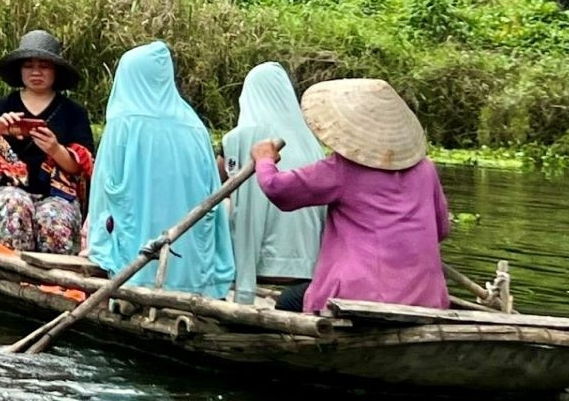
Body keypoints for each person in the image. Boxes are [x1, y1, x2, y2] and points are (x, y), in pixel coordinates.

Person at [251, 78, 451, 314]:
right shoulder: (426, 168)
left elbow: (278, 189)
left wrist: (264, 159)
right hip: (425, 297)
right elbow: (442, 229)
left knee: (288, 301)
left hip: (356, 296)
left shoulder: (342, 169)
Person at [88, 40, 235, 297]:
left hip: (135, 264)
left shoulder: (124, 122)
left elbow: (106, 188)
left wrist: (97, 242)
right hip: (191, 267)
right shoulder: (194, 126)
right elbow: (211, 191)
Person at [0, 30, 95, 255]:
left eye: (44, 66)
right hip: (7, 190)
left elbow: (81, 168)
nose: (36, 72)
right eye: (29, 66)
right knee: (16, 206)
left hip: (57, 195)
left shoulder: (74, 113)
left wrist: (55, 148)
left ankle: (54, 280)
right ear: (20, 70)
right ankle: (12, 271)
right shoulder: (1, 107)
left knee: (52, 218)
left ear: (56, 71)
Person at [222, 62, 325, 306]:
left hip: (261, 269)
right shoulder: (313, 146)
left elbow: (214, 184)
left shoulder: (239, 139)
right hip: (307, 271)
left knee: (223, 205)